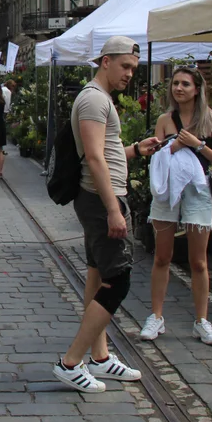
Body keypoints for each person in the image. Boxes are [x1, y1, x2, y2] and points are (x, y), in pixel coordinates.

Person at [53, 36, 161, 394]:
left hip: (104, 197)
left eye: (134, 67)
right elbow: (95, 159)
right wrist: (115, 210)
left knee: (98, 274)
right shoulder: (93, 99)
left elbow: (104, 151)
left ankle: (99, 357)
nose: (130, 73)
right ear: (105, 62)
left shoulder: (99, 100)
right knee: (119, 281)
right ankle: (71, 362)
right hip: (103, 201)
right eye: (125, 66)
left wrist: (133, 150)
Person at [141, 66, 212, 346]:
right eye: (175, 84)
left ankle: (202, 320)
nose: (179, 89)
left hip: (197, 189)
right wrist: (169, 148)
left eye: (185, 84)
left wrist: (198, 145)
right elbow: (155, 155)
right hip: (168, 189)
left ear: (197, 89)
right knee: (162, 256)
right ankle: (156, 316)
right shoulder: (166, 119)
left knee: (198, 261)